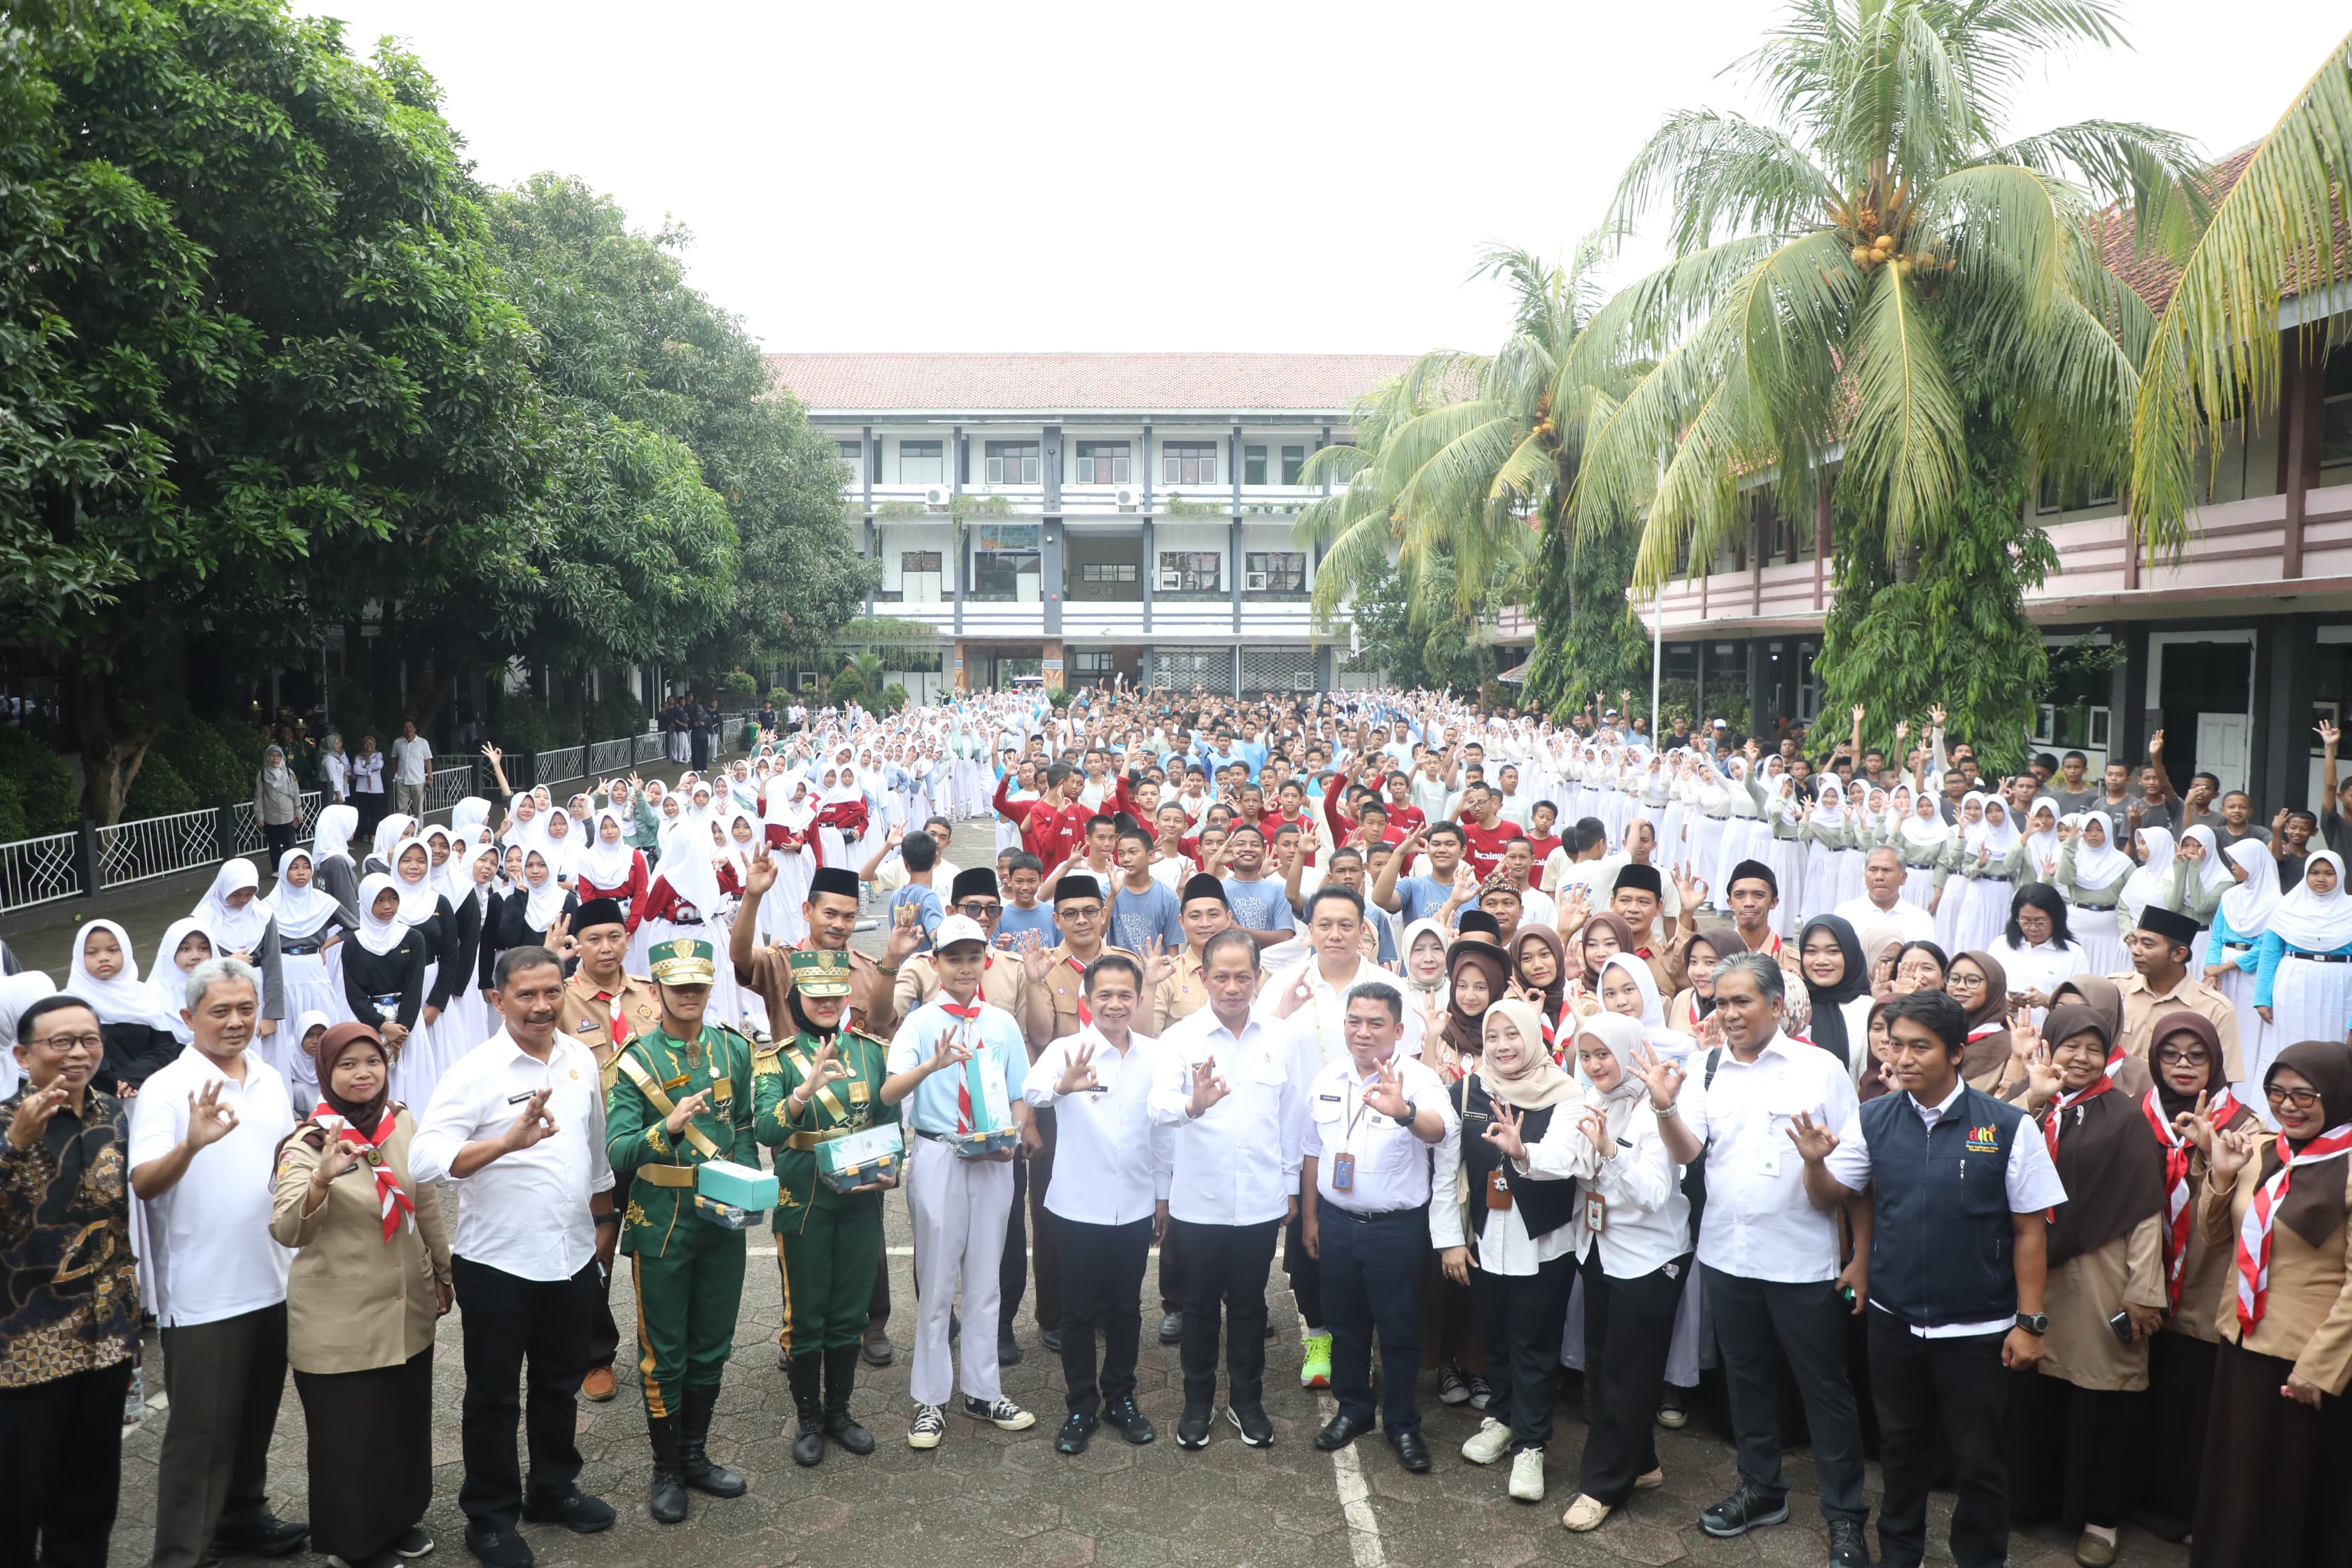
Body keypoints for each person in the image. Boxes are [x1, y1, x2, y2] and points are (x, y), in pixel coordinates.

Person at [1796, 988, 2066, 1568]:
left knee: (1980, 1462)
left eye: (1921, 1046)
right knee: (1900, 1452)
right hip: (1894, 1321)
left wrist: (2030, 1321)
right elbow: (1831, 1198)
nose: (1904, 1058)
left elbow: (2030, 1232)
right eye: (1897, 1045)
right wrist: (1815, 1162)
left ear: (1957, 1053)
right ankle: (1901, 1554)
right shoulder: (1873, 1119)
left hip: (1978, 1328)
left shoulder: (2007, 1127)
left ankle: (1980, 1557)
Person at [1631, 952, 1870, 1566]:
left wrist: (1817, 1163)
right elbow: (1689, 1154)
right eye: (1719, 1002)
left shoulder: (1819, 1069)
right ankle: (1761, 1488)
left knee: (1825, 1391)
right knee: (1747, 1378)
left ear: (1774, 1005)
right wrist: (1662, 1107)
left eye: (1741, 1001)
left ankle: (1846, 1516)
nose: (1728, 1013)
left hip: (1800, 1261)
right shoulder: (1709, 1066)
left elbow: (1849, 1182)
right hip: (1726, 1255)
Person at [408, 946, 620, 1568]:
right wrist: (504, 1142)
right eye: (526, 995)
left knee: (559, 1384)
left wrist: (603, 1223)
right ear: (497, 1000)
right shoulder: (474, 1071)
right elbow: (424, 1159)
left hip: (572, 1256)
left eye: (552, 992)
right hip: (499, 1264)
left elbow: (595, 1149)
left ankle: (553, 1489)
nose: (541, 1006)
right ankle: (491, 1517)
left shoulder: (579, 1056)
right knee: (494, 1396)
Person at [128, 956, 307, 1568]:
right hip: (205, 1294)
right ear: (188, 1017)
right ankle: (179, 1554)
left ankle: (240, 1518)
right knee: (200, 1437)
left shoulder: (269, 1077)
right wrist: (191, 1143)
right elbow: (146, 1182)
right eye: (220, 1011)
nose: (235, 1022)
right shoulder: (167, 1089)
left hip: (273, 1277)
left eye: (246, 1009)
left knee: (255, 1417)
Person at [269, 1022, 452, 1568]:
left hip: (405, 1300)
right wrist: (322, 1181)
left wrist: (443, 1271)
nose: (362, 1074)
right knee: (348, 1438)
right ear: (327, 1073)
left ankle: (396, 1520)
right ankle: (352, 1544)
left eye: (371, 1061)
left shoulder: (401, 1121)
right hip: (338, 1316)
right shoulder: (308, 1142)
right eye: (347, 1065)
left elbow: (425, 1200)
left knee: (401, 1420)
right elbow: (287, 1229)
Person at [601, 937, 757, 1523]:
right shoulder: (634, 1060)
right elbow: (618, 1151)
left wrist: (744, 1183)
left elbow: (741, 1126)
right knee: (664, 1352)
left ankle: (695, 1455)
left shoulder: (733, 1049)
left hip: (721, 1220)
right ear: (658, 988)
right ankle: (665, 1467)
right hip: (662, 1223)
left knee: (713, 1342)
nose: (690, 995)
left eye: (699, 985)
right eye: (679, 985)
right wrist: (665, 1127)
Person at [2003, 1003, 2163, 1567]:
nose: (2082, 1057)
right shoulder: (2035, 1104)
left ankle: (2101, 1519)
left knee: (2100, 1397)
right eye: (2071, 1044)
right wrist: (2034, 1092)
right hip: (2032, 1271)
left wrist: (2145, 1287)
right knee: (2036, 1391)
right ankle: (2033, 1499)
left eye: (2095, 1048)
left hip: (2100, 1273)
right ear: (2051, 1045)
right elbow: (1986, 1145)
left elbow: (2148, 1208)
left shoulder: (2124, 1116)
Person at [2186, 1040, 2352, 1568]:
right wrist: (2222, 1174)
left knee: (2285, 1494)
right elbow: (2218, 1239)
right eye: (2277, 1092)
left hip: (2304, 1362)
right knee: (2237, 1481)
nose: (2288, 1105)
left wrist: (2321, 1369)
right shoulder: (2264, 1152)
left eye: (2305, 1094)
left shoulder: (2347, 1168)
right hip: (2243, 1343)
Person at [1152, 927, 1316, 1448]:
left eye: (1242, 976)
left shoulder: (1282, 1037)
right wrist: (1192, 1105)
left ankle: (1247, 1401)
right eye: (1219, 976)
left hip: (1262, 1199)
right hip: (1200, 1200)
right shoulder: (1180, 1039)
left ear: (1257, 977)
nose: (1231, 987)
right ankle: (1197, 1402)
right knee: (1199, 1306)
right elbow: (1156, 1107)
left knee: (1249, 1305)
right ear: (1201, 977)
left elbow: (1293, 1119)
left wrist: (1290, 1184)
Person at [884, 918, 1039, 1450]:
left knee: (985, 1279)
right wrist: (933, 1064)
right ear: (935, 962)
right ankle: (930, 1399)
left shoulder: (1000, 1024)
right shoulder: (920, 1024)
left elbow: (1020, 1092)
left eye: (974, 955)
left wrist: (1012, 1137)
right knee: (937, 1279)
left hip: (993, 1158)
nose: (965, 966)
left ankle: (982, 1388)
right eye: (954, 957)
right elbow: (888, 1092)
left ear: (986, 960)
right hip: (938, 1154)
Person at [2, 993, 141, 1568]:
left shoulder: (111, 1114)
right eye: (60, 1042)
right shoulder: (5, 1125)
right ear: (23, 1054)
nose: (77, 1053)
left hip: (105, 1340)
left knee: (89, 1503)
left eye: (88, 1040)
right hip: (25, 1354)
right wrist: (15, 1149)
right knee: (15, 1506)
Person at [1434, 1000, 1590, 1511]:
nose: (1502, 1046)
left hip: (1543, 1245)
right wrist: (1450, 1239)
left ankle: (1531, 1444)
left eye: (1512, 1035)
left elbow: (1568, 1160)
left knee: (1534, 1346)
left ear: (1533, 1037)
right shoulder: (1471, 1090)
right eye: (1493, 1035)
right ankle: (1502, 1418)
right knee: (1495, 1338)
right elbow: (1448, 1168)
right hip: (1485, 1240)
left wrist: (1523, 1153)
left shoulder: (1565, 1094)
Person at [1301, 981, 1460, 1474]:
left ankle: (1403, 1424)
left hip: (1395, 1229)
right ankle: (1354, 1410)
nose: (1363, 1032)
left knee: (1397, 1329)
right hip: (1336, 1221)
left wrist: (1405, 1112)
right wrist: (1309, 1217)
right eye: (1354, 1021)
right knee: (1345, 1325)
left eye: (1375, 1023)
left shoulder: (1416, 1078)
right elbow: (1312, 1152)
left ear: (1398, 1029)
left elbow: (1440, 1128)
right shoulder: (1328, 1077)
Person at [1023, 951, 1172, 1452]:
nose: (1114, 1004)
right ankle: (1082, 1405)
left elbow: (1163, 1132)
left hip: (1133, 1204)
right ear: (1087, 1001)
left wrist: (1162, 1197)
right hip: (1078, 1206)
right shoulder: (1068, 1050)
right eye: (1104, 995)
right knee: (1079, 1312)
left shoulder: (1155, 1055)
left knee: (1128, 1308)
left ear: (1138, 998)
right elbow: (1034, 1090)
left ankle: (1121, 1398)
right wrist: (1061, 1085)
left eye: (1124, 995)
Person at [755, 946, 897, 1466]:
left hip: (860, 1196)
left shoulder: (870, 1051)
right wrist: (803, 1093)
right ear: (797, 997)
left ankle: (840, 1412)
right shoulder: (775, 1059)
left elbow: (887, 1119)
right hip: (805, 1197)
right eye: (815, 995)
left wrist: (889, 1171)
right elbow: (768, 1129)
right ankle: (809, 1417)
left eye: (836, 994)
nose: (827, 1003)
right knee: (807, 1313)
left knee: (849, 1311)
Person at [2131, 1011, 2257, 1541]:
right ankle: (2131, 1496)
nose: (2183, 1066)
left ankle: (2182, 1509)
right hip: (2139, 1275)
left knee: (2188, 1403)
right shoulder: (2136, 1114)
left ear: (2216, 1060)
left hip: (2203, 1283)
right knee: (2140, 1396)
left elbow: (2247, 1212)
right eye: (2170, 1055)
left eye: (2197, 1055)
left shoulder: (2245, 1122)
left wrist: (2209, 1150)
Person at [546, 899, 664, 1404]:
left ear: (627, 939)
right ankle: (596, 1356)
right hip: (591, 1149)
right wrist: (547, 961)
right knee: (597, 1253)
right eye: (594, 938)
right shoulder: (560, 1000)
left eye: (614, 936)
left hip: (652, 1143)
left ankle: (661, 1346)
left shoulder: (651, 997)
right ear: (579, 945)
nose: (606, 948)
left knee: (660, 1247)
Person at [2119, 905, 2242, 1084]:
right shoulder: (2116, 990)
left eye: (2147, 944)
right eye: (2135, 942)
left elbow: (2223, 1081)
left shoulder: (2215, 1009)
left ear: (2178, 954)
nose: (2136, 950)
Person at [1834, 846, 1935, 943]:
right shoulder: (1845, 913)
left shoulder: (1920, 920)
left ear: (1903, 878)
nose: (1879, 877)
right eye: (1873, 870)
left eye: (1887, 870)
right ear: (1865, 877)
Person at [255, 743, 304, 861]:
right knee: (274, 846)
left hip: (289, 815)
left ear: (282, 757)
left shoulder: (288, 772)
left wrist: (298, 811)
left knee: (291, 845)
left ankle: (292, 866)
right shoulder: (262, 774)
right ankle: (277, 869)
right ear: (267, 757)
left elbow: (296, 793)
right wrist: (259, 816)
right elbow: (259, 797)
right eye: (272, 755)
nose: (275, 759)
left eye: (278, 756)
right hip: (271, 816)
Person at [390, 720, 433, 822]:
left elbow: (428, 761)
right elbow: (394, 759)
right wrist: (396, 774)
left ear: (414, 729)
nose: (408, 729)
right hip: (402, 781)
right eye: (406, 727)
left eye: (410, 727)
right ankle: (402, 832)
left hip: (418, 781)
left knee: (418, 810)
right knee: (401, 810)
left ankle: (418, 832)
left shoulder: (423, 743)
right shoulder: (397, 742)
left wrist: (430, 778)